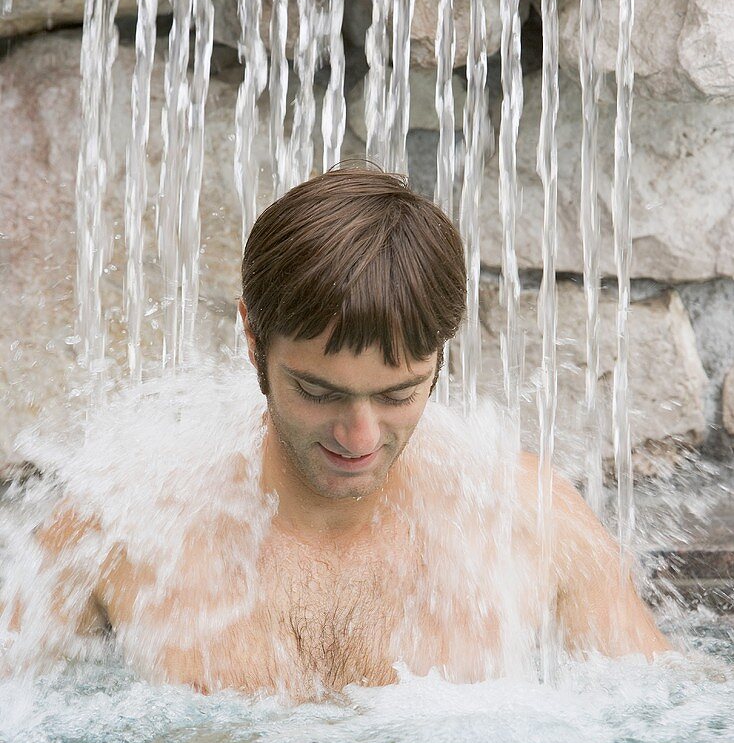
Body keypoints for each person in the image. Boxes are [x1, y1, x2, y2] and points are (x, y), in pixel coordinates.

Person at [1, 167, 670, 698]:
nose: (359, 435)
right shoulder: (127, 527)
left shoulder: (526, 522)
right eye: (318, 393)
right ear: (252, 338)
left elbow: (669, 722)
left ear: (439, 357)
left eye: (398, 395)